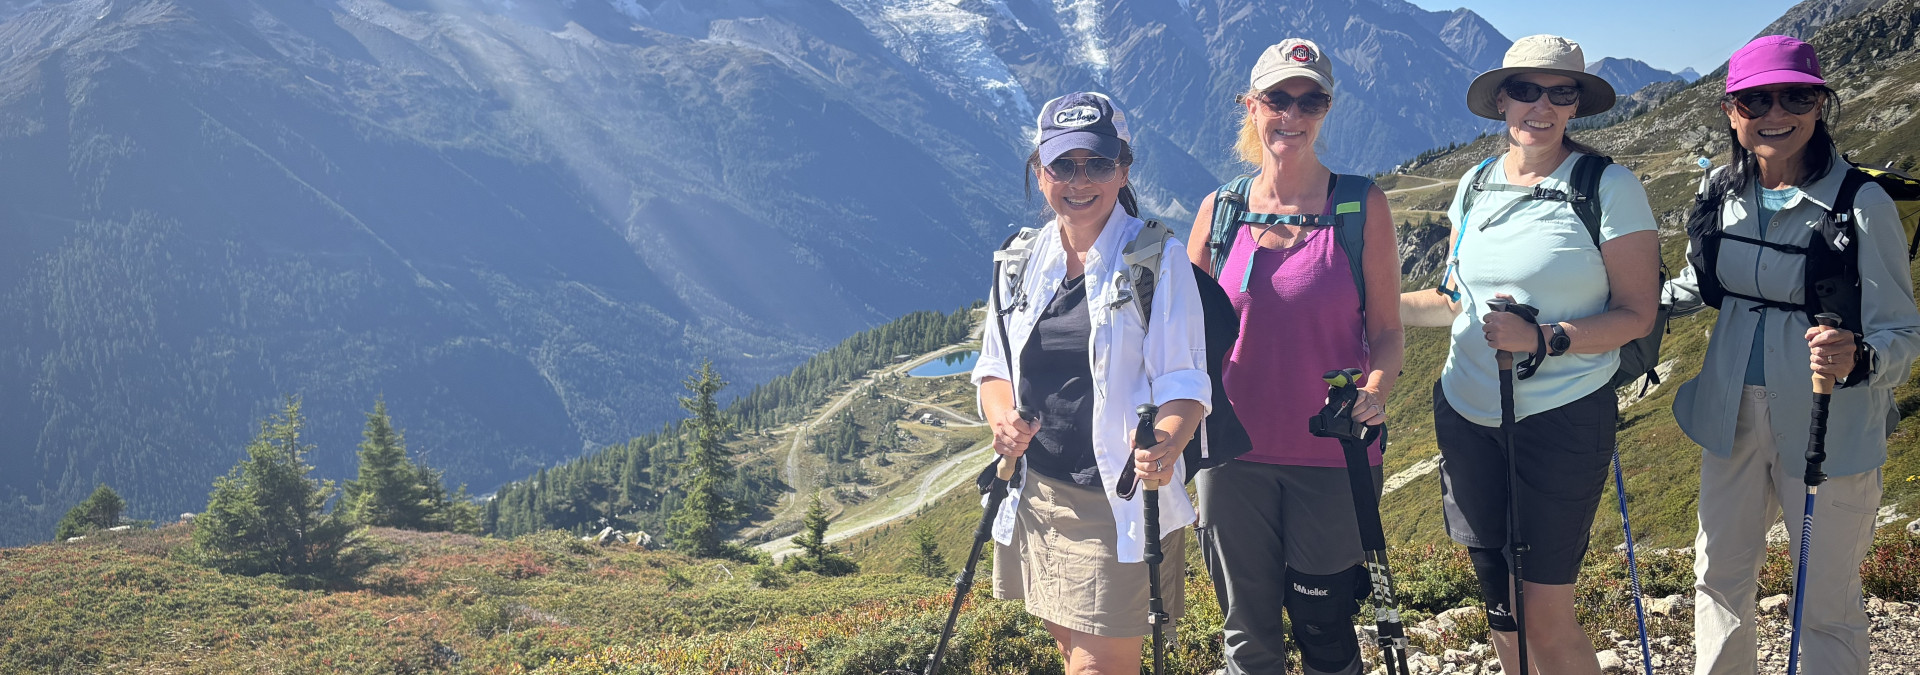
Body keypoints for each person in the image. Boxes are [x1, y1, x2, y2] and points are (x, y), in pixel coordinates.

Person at [1397, 35, 1660, 675]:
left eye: (1559, 93)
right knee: (1501, 610)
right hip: (1466, 412)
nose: (1539, 107)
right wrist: (1371, 305)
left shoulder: (1609, 187)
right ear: (1501, 101)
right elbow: (1455, 299)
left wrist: (1545, 338)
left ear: (1576, 106)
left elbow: (1637, 315)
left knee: (1544, 613)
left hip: (1560, 417)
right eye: (1525, 91)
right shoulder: (1476, 183)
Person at [1665, 35, 1920, 675]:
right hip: (1730, 417)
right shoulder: (1719, 191)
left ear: (1820, 105)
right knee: (1718, 577)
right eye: (1756, 99)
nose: (1776, 112)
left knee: (1824, 598)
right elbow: (1699, 284)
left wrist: (1860, 356)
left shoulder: (1862, 203)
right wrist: (1604, 313)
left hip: (1829, 421)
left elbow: (1902, 332)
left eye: (1796, 96)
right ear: (1731, 112)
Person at [1182, 38, 1404, 675]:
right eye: (1278, 98)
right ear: (1250, 107)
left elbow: (1387, 331)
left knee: (1325, 628)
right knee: (1248, 639)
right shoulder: (1219, 211)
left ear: (1327, 110)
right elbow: (1184, 335)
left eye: (1311, 100)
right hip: (1230, 456)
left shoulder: (1361, 207)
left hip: (1333, 453)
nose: (1293, 113)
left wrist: (1378, 390)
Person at [971, 91, 1210, 674]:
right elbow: (994, 368)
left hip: (1118, 501)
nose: (1079, 181)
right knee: (1070, 646)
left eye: (1097, 164)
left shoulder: (1155, 259)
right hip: (1036, 493)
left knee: (1097, 665)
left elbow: (1185, 379)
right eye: (1062, 166)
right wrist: (1002, 418)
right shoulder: (1019, 258)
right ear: (1039, 169)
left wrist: (1168, 442)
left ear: (1123, 168)